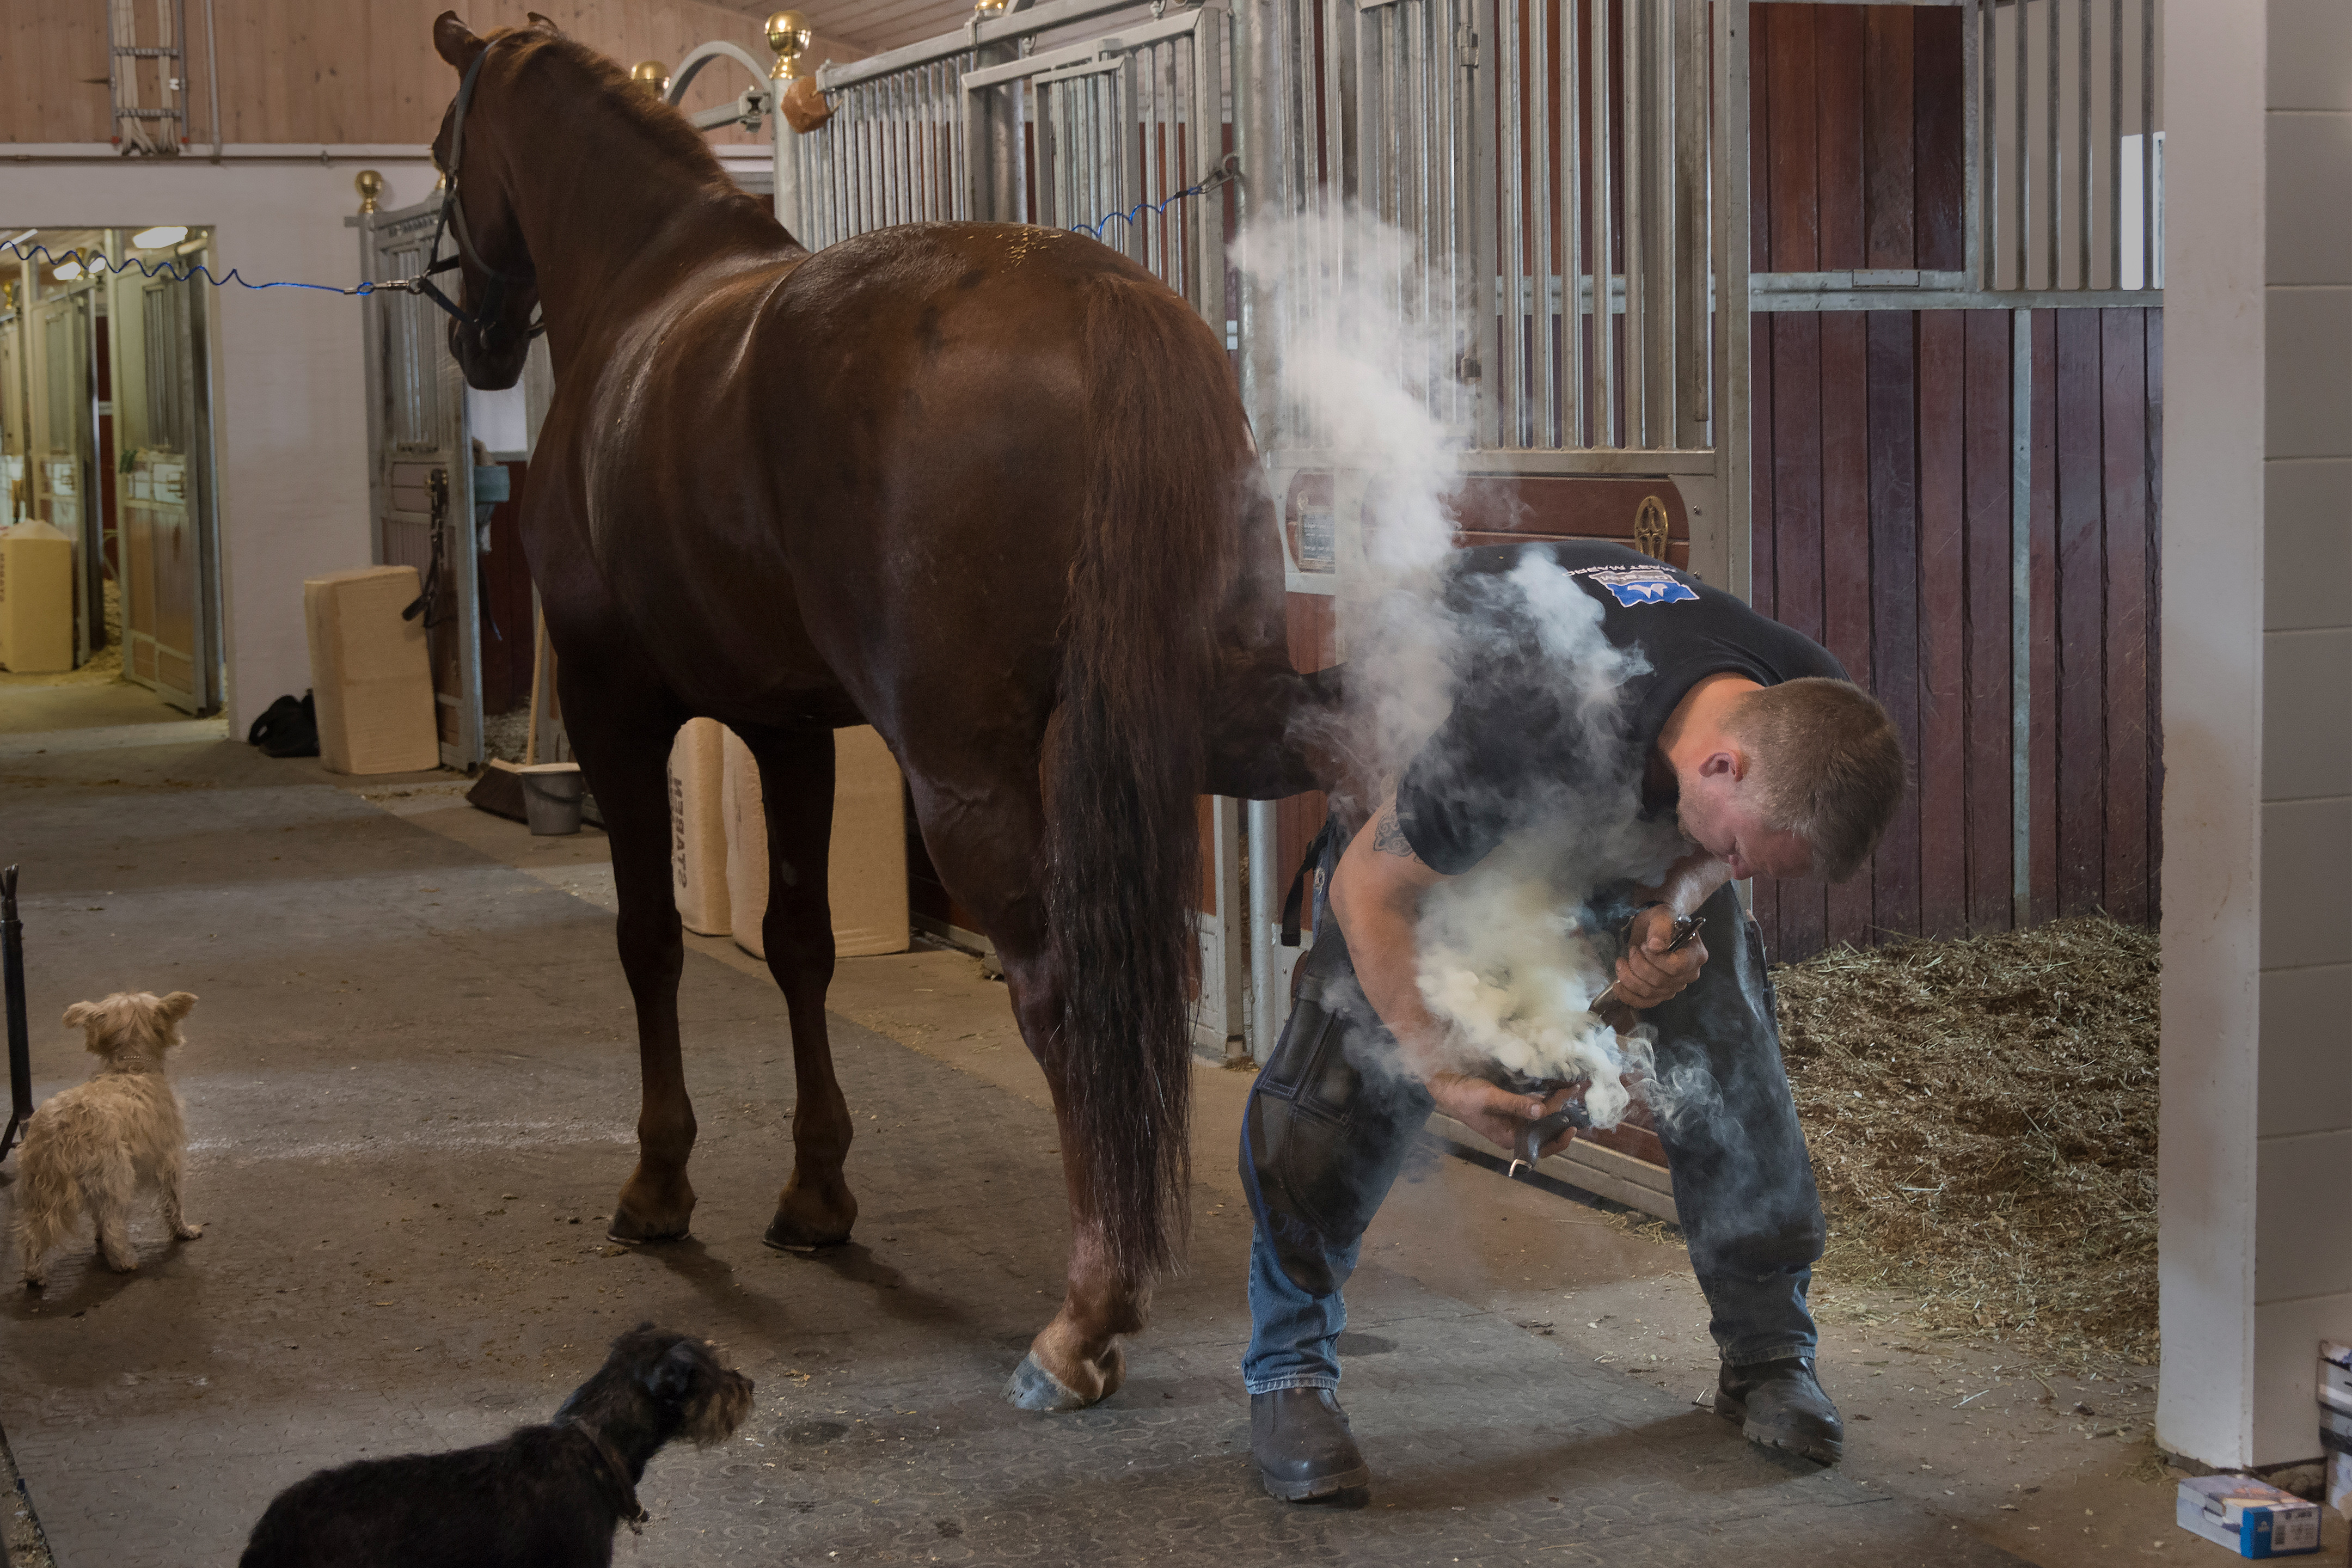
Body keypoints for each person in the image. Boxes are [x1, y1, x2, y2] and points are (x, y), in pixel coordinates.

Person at [1240, 538, 1906, 1502]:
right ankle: (1288, 1368)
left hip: (1630, 790)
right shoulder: (1523, 724)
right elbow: (1371, 889)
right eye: (1749, 851)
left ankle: (1769, 1355)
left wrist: (1678, 896)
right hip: (1442, 790)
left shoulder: (1814, 708)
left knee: (1724, 1036)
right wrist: (1442, 1072)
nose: (1747, 871)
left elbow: (1724, 852)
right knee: (1352, 1057)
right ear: (1722, 764)